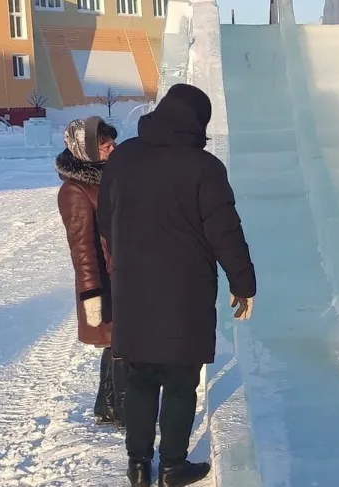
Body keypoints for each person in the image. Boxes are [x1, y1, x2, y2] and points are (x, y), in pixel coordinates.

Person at [98, 83, 257, 487]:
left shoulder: (124, 158)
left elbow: (105, 221)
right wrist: (244, 284)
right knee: (181, 384)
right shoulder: (203, 168)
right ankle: (171, 467)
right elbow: (225, 233)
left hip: (132, 291)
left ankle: (137, 467)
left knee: (139, 380)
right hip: (184, 296)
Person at [56, 116, 128, 427]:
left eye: (113, 143)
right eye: (104, 146)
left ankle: (106, 406)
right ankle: (127, 412)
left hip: (122, 275)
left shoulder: (109, 177)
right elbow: (82, 250)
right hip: (104, 281)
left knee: (117, 344)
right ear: (86, 151)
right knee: (126, 346)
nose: (113, 149)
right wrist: (92, 297)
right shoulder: (75, 191)